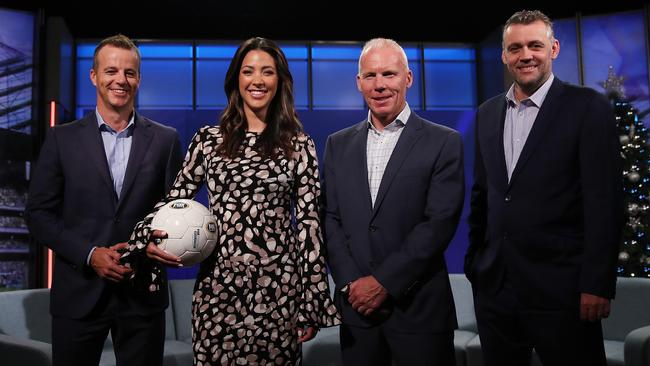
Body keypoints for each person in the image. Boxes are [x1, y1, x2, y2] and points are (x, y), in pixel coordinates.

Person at [119, 37, 340, 365]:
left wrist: (311, 301)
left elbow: (310, 227)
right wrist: (140, 239)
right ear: (236, 78)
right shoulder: (209, 141)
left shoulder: (300, 144)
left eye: (267, 72)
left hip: (279, 291)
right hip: (218, 291)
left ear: (279, 81)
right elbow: (175, 199)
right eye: (248, 71)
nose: (258, 80)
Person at [465, 10, 623, 366]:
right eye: (515, 47)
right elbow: (483, 195)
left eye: (535, 45)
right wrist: (476, 264)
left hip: (564, 292)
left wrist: (597, 283)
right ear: (504, 55)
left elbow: (605, 201)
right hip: (497, 289)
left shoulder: (588, 107)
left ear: (553, 48)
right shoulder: (487, 113)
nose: (526, 55)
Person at [25, 34, 183, 366]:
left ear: (138, 79)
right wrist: (90, 254)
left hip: (142, 296)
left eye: (129, 72)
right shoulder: (61, 139)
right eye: (111, 71)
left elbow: (173, 211)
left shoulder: (166, 141)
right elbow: (39, 215)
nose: (120, 80)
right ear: (94, 76)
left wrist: (157, 246)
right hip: (78, 295)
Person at [323, 38, 464, 366]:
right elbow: (329, 218)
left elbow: (438, 224)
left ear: (408, 78)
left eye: (389, 74)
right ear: (358, 83)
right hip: (358, 313)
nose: (380, 85)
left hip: (420, 313)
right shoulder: (337, 145)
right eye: (370, 76)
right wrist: (349, 283)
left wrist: (384, 283)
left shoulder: (444, 141)